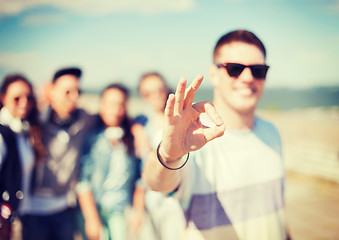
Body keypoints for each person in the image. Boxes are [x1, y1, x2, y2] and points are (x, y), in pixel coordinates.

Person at [142, 30, 291, 240]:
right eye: (235, 69)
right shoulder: (191, 139)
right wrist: (169, 155)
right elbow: (156, 183)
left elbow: (278, 214)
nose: (248, 78)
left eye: (258, 70)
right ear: (213, 74)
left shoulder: (272, 133)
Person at [24, 67, 95, 240]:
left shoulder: (84, 119)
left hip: (64, 208)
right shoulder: (33, 120)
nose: (74, 97)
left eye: (78, 91)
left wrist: (136, 129)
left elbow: (111, 117)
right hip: (33, 210)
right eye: (68, 91)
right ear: (52, 91)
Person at [76, 83, 138, 240]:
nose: (116, 110)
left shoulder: (130, 136)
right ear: (101, 105)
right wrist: (91, 219)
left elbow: (139, 175)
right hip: (95, 207)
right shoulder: (92, 138)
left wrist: (138, 209)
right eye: (111, 104)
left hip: (119, 208)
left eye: (121, 105)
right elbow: (83, 181)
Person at [134, 72, 186, 240]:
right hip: (150, 193)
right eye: (148, 92)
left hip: (175, 194)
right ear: (143, 95)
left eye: (159, 89)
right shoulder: (142, 121)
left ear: (166, 89)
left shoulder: (179, 116)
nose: (155, 95)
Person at [0, 74, 44, 240]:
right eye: (17, 98)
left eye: (29, 97)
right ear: (3, 98)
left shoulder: (24, 129)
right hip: (6, 219)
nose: (24, 103)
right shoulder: (2, 133)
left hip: (22, 214)